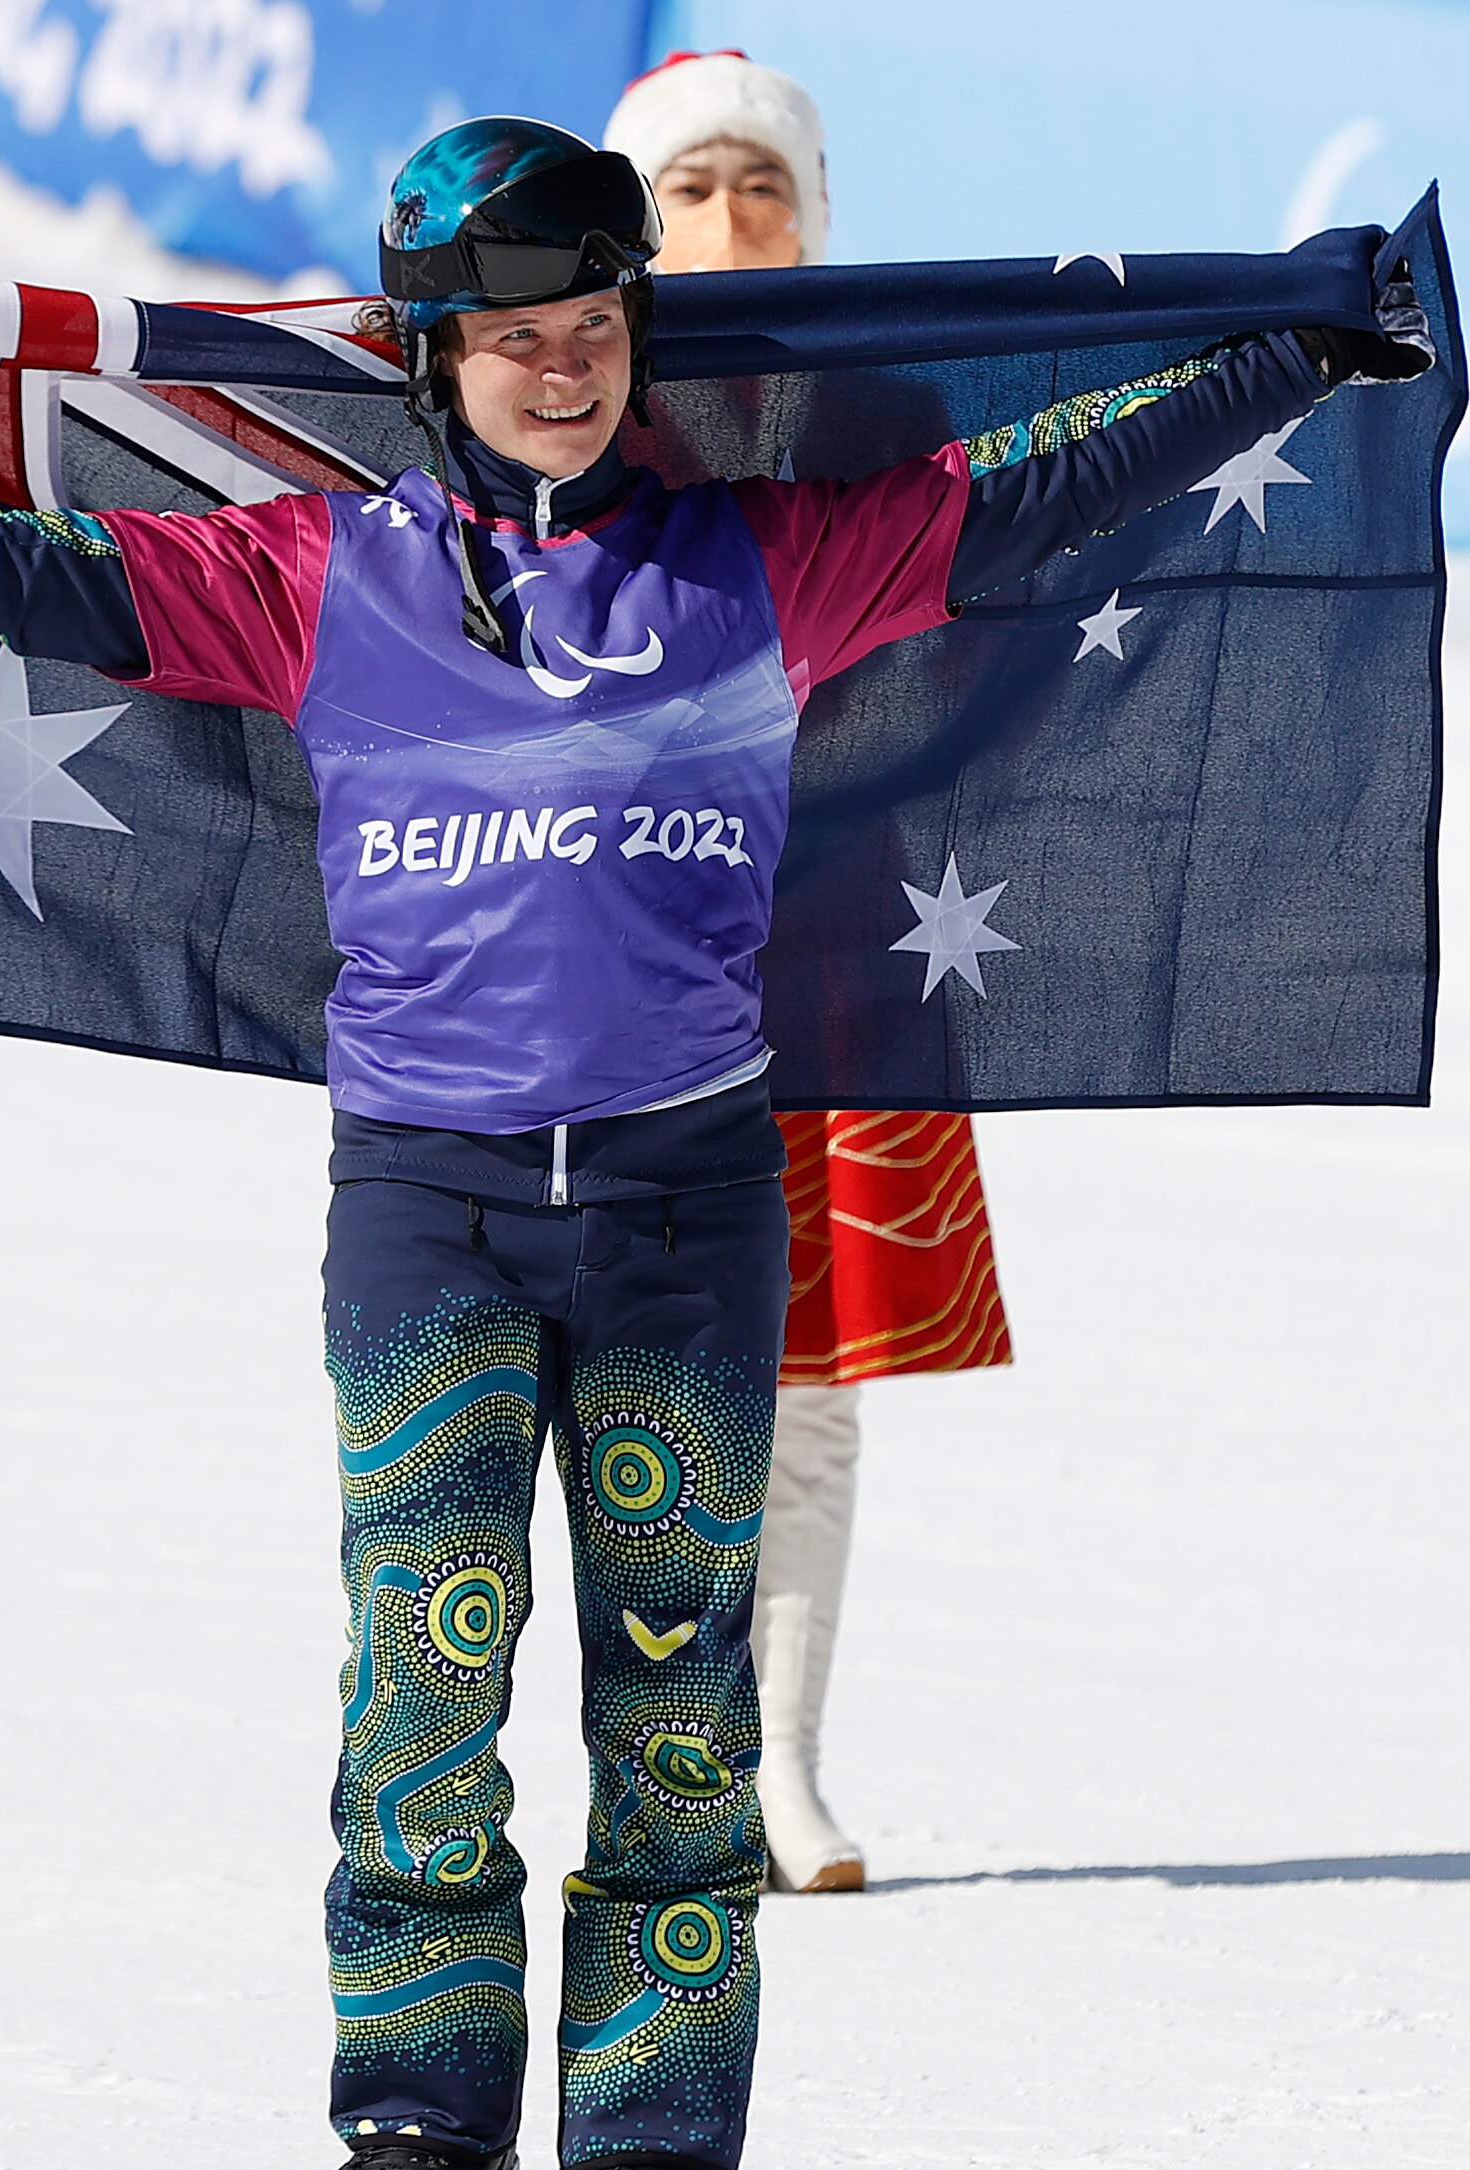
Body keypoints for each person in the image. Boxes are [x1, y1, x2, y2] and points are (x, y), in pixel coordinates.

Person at [0, 117, 1423, 2170]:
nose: (567, 365)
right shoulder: (317, 571)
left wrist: (1296, 346)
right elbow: (12, 576)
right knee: (423, 1675)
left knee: (676, 1692)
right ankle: (420, 2121)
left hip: (682, 1206)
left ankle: (650, 2147)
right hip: (428, 1209)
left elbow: (1041, 489)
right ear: (435, 357)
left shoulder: (763, 562)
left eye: (598, 324)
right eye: (519, 335)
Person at [608, 49, 1014, 1895]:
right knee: (613, 1364)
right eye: (688, 189)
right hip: (612, 938)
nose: (728, 220)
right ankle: (653, 1750)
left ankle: (780, 1758)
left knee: (808, 1379)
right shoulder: (566, 402)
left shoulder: (892, 408)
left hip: (834, 935)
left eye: (761, 187)